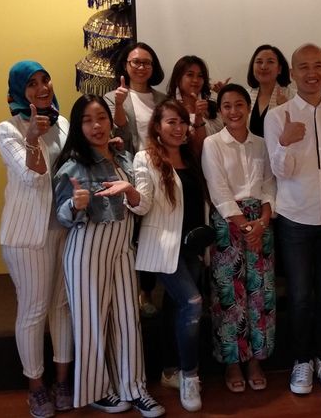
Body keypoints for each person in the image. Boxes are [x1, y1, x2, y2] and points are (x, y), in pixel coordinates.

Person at [53, 95, 164, 417]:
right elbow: (62, 215)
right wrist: (75, 204)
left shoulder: (122, 156)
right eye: (87, 120)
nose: (96, 126)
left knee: (128, 319)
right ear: (78, 126)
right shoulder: (73, 165)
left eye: (101, 117)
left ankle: (135, 388)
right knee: (91, 322)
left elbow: (137, 201)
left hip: (122, 247)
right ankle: (98, 391)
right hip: (87, 249)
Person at [264, 43, 321, 395]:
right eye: (303, 67)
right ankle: (301, 360)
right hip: (295, 220)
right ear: (292, 73)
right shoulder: (278, 116)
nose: (312, 73)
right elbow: (280, 172)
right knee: (301, 296)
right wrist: (285, 143)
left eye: (318, 65)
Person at [0, 61, 73, 417]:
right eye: (31, 83)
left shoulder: (63, 123)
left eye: (45, 80)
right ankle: (36, 388)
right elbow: (33, 177)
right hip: (27, 236)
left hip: (64, 229)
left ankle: (62, 381)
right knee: (34, 310)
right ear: (18, 91)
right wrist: (30, 139)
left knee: (61, 306)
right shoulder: (7, 129)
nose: (42, 88)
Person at [131, 100, 208, 412]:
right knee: (192, 303)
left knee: (174, 308)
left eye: (182, 122)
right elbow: (143, 204)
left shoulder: (190, 156)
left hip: (192, 246)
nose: (178, 128)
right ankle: (190, 376)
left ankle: (169, 371)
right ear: (157, 127)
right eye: (171, 122)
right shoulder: (145, 158)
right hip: (164, 247)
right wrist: (130, 194)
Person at [202, 84, 276, 393]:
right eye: (227, 106)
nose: (233, 111)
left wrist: (263, 222)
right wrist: (245, 226)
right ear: (220, 111)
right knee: (229, 297)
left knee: (261, 295)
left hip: (261, 222)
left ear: (248, 107)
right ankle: (232, 363)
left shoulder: (262, 143)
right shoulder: (212, 144)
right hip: (228, 223)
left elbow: (269, 184)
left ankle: (256, 360)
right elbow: (218, 190)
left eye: (239, 105)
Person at [104, 40, 166, 318]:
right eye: (135, 62)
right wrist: (119, 104)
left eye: (146, 62)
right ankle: (136, 292)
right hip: (132, 172)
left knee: (154, 231)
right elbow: (119, 136)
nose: (141, 67)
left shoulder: (162, 99)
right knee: (134, 234)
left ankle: (150, 289)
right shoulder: (112, 97)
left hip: (161, 171)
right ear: (126, 65)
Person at [166, 55, 223, 150]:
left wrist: (224, 96)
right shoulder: (169, 110)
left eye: (200, 76)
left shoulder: (212, 105)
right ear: (178, 78)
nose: (195, 80)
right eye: (190, 75)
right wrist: (198, 117)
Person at [246, 44, 293, 137]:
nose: (263, 66)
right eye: (259, 62)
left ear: (279, 69)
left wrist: (286, 108)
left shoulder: (292, 96)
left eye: (270, 62)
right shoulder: (245, 95)